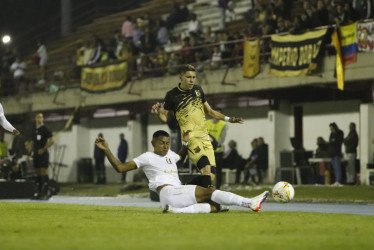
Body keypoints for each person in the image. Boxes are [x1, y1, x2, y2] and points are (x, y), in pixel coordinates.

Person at [95, 130, 269, 213]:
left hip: (176, 196)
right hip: (168, 192)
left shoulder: (170, 154)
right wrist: (106, 149)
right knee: (210, 192)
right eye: (161, 143)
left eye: (167, 143)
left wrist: (185, 143)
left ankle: (175, 211)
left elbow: (180, 156)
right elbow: (120, 168)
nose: (165, 146)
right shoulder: (146, 157)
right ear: (153, 143)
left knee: (215, 206)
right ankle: (249, 203)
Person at [151, 64, 243, 188]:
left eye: (194, 77)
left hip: (205, 138)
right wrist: (158, 114)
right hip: (191, 139)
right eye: (188, 77)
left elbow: (210, 112)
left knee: (211, 176)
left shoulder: (198, 90)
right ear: (181, 77)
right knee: (205, 168)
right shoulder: (172, 95)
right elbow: (165, 119)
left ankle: (182, 189)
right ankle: (207, 201)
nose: (192, 80)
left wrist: (229, 119)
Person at [27, 113, 55, 199]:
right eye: (38, 117)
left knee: (44, 172)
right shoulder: (34, 130)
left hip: (43, 154)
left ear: (43, 119)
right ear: (35, 119)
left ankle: (46, 192)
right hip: (36, 154)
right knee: (37, 173)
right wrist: (29, 153)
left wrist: (44, 148)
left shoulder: (45, 129)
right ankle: (39, 192)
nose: (39, 119)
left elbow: (52, 140)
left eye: (41, 117)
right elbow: (32, 143)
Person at [206, 109, 227, 189]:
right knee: (207, 170)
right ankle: (208, 187)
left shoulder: (223, 124)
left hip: (218, 151)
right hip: (208, 151)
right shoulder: (207, 123)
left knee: (218, 171)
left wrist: (215, 145)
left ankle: (218, 188)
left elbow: (222, 138)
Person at [328, 122, 344, 186]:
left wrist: (333, 141)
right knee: (334, 167)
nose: (331, 129)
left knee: (338, 167)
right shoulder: (331, 133)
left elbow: (338, 142)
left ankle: (338, 180)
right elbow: (330, 141)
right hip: (332, 153)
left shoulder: (339, 133)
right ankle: (336, 180)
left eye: (331, 128)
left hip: (337, 152)